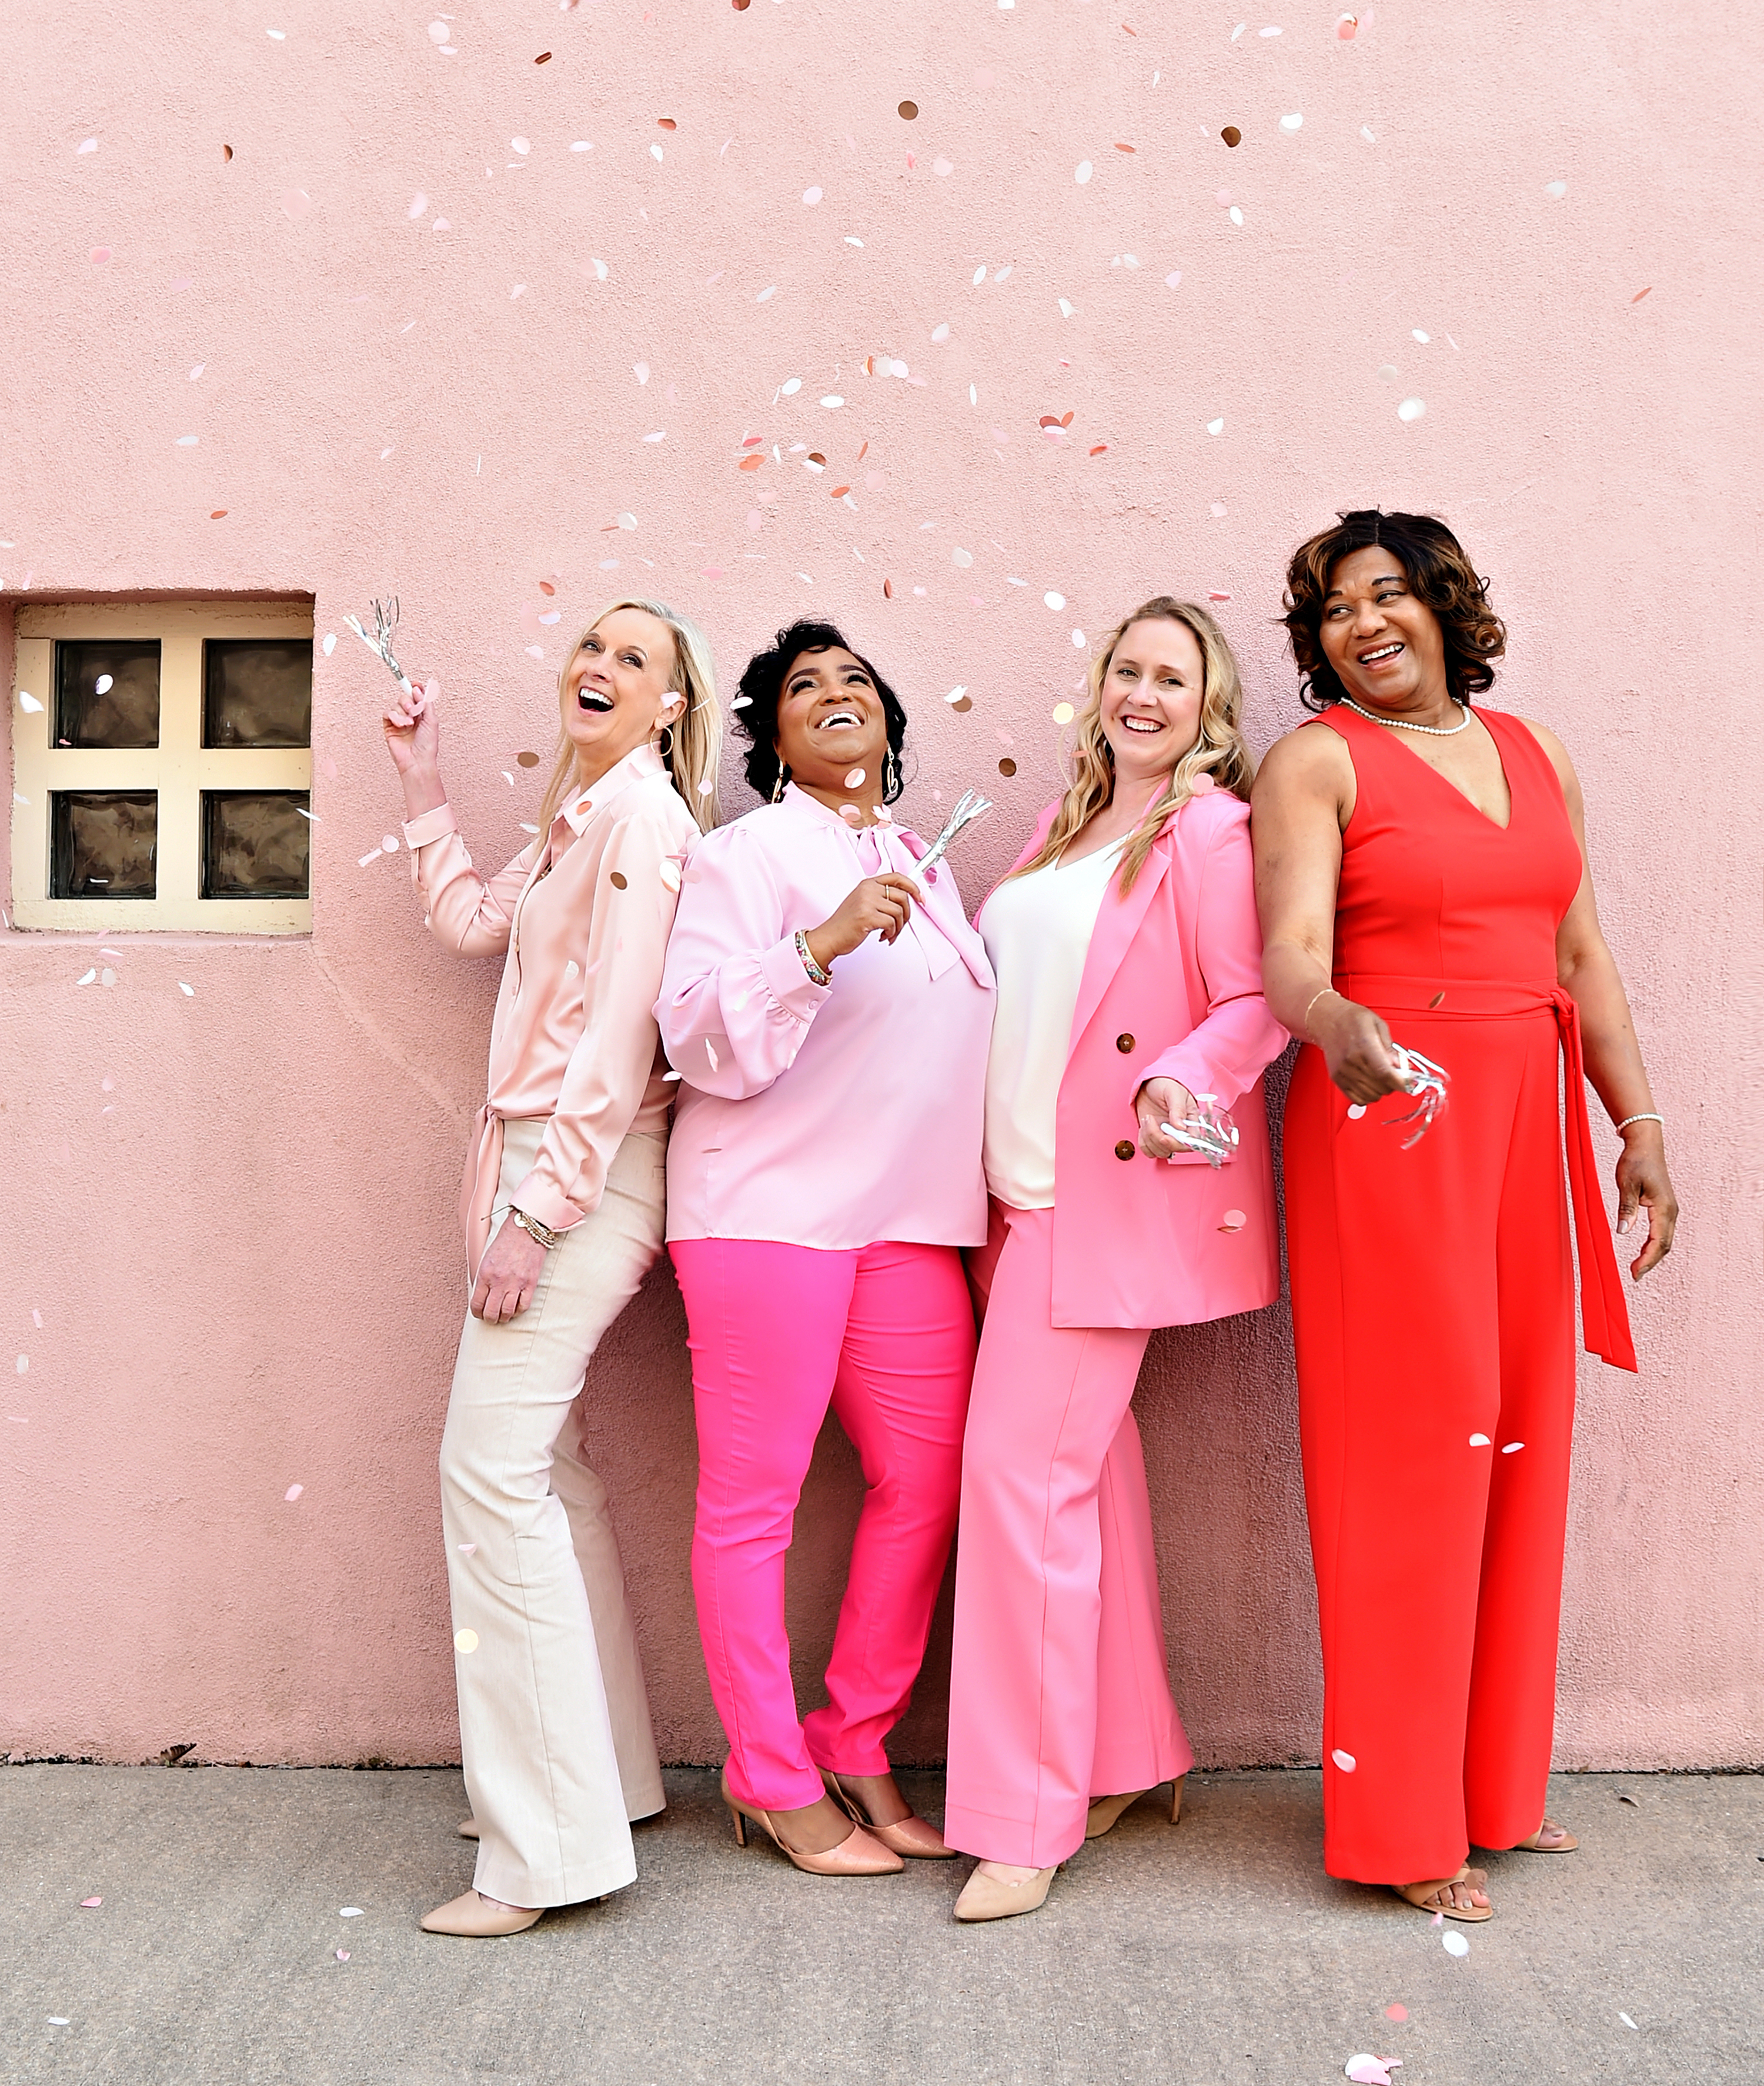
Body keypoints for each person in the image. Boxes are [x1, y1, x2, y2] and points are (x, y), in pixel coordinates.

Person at [1251, 510, 1679, 1924]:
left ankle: (1493, 1793)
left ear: (1446, 605)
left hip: (1526, 1120)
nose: (1364, 625)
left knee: (1520, 1433)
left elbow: (1578, 950)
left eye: (1389, 596)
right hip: (1395, 1111)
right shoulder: (1316, 763)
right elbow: (1292, 964)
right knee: (1409, 1451)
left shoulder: (1541, 752)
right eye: (1333, 611)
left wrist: (1639, 1126)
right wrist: (1343, 1029)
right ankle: (1399, 1823)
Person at [942, 596, 1288, 1923]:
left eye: (1173, 678)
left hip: (1102, 1206)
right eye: (1127, 671)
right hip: (1014, 1204)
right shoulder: (1066, 823)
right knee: (1088, 1479)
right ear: (1098, 688)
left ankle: (1024, 1824)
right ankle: (1134, 1758)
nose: (1145, 694)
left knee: (1019, 1485)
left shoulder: (1209, 831)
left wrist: (1184, 1083)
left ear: (1208, 708)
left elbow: (1255, 997)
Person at [383, 599, 720, 1937]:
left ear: (673, 706)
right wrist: (421, 777)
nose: (601, 666)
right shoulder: (583, 816)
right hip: (532, 1166)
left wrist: (539, 1212)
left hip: (571, 1173)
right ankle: (605, 1787)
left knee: (489, 1475)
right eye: (592, 646)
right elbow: (475, 923)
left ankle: (544, 1854)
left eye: (635, 658)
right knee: (550, 1474)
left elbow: (623, 1043)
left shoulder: (643, 822)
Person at [656, 620, 995, 1877]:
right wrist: (825, 939)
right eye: (806, 688)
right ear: (774, 737)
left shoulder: (924, 862)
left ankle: (854, 1738)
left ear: (890, 730)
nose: (837, 695)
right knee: (754, 1509)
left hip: (905, 1222)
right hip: (767, 1215)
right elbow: (695, 1030)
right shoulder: (746, 855)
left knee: (930, 1477)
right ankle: (768, 1775)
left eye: (859, 680)